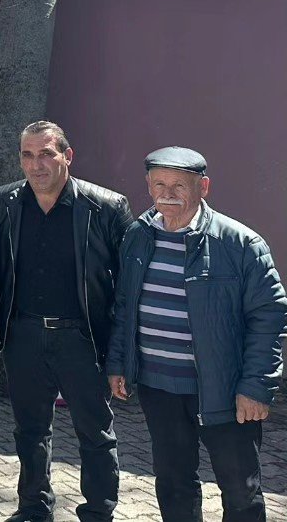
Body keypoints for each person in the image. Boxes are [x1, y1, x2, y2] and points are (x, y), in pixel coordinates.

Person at [107, 147, 287, 522]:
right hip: (159, 388)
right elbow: (125, 305)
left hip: (225, 391)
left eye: (179, 185)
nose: (167, 193)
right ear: (148, 185)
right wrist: (119, 362)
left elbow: (269, 316)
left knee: (241, 490)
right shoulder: (138, 236)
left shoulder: (240, 244)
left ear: (203, 187)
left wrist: (256, 386)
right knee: (174, 484)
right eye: (159, 184)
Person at [0, 122, 132, 522]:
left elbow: (126, 287)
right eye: (27, 155)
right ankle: (34, 507)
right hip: (24, 335)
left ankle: (99, 511)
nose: (36, 165)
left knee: (95, 433)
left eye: (46, 154)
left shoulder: (106, 207)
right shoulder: (3, 202)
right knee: (30, 431)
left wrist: (120, 350)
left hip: (82, 339)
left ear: (67, 156)